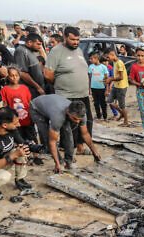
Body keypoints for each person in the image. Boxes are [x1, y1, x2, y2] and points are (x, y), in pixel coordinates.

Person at [45, 26, 94, 155]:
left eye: (78, 40)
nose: (76, 42)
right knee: (70, 126)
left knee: (86, 121)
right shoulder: (56, 51)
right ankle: (69, 152)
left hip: (82, 94)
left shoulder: (78, 50)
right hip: (66, 95)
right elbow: (48, 74)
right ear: (65, 37)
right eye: (73, 39)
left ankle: (80, 146)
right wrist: (62, 85)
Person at [30, 94, 101, 173]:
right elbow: (52, 141)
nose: (77, 121)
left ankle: (68, 162)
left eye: (79, 119)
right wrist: (57, 163)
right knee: (48, 138)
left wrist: (95, 152)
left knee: (68, 134)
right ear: (68, 112)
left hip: (52, 106)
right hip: (36, 109)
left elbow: (85, 134)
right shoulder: (58, 116)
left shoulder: (81, 114)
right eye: (74, 118)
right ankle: (59, 162)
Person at [0, 66, 35, 143]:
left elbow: (29, 103)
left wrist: (32, 116)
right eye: (12, 75)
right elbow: (5, 105)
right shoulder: (4, 90)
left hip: (27, 119)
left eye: (16, 75)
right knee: (20, 140)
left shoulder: (24, 88)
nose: (14, 77)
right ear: (8, 77)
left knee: (31, 138)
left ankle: (35, 154)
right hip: (15, 122)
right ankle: (25, 154)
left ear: (19, 76)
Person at [14, 33, 45, 98]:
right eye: (38, 44)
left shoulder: (30, 50)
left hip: (37, 89)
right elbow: (22, 73)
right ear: (29, 42)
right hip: (32, 90)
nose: (40, 47)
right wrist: (38, 87)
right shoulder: (21, 51)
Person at [104, 48, 129, 126]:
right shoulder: (114, 62)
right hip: (116, 85)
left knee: (122, 105)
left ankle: (126, 121)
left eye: (108, 57)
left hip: (122, 86)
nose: (107, 59)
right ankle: (122, 114)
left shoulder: (119, 63)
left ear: (112, 55)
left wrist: (110, 79)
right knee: (109, 101)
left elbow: (121, 77)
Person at [88, 52, 108, 120]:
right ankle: (98, 115)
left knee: (103, 102)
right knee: (96, 103)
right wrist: (89, 88)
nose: (90, 60)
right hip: (94, 88)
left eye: (92, 58)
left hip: (102, 87)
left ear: (97, 59)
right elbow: (90, 77)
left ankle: (105, 116)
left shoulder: (103, 67)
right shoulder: (91, 67)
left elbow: (106, 78)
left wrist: (107, 88)